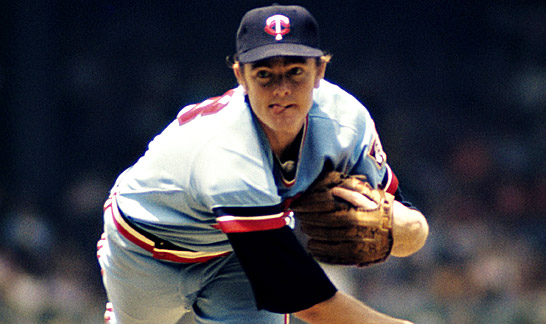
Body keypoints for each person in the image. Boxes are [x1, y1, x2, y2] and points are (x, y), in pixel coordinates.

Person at [97, 4, 428, 324]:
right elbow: (295, 293)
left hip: (234, 257)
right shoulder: (228, 148)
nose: (281, 90)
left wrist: (409, 230)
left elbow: (401, 215)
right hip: (146, 249)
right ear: (241, 75)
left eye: (295, 72)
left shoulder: (345, 123)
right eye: (265, 74)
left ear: (319, 70)